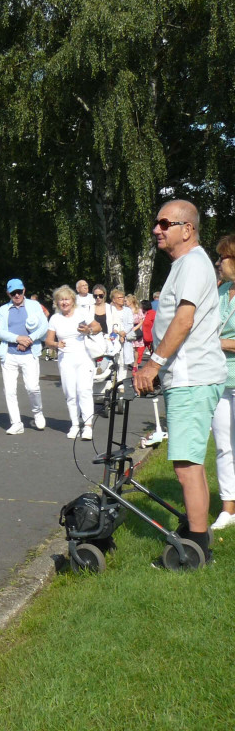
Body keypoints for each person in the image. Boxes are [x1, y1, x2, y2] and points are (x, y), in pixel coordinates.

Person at [134, 199, 226, 567]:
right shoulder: (187, 264)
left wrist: (152, 366)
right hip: (190, 375)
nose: (157, 229)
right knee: (191, 463)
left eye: (164, 223)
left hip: (191, 377)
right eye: (156, 224)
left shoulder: (192, 263)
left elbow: (184, 321)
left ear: (186, 229)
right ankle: (196, 534)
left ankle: (195, 549)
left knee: (186, 464)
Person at [0, 279, 49, 435]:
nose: (16, 295)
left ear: (24, 290)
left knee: (33, 387)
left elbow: (44, 326)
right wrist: (18, 338)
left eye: (19, 291)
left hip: (30, 353)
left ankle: (37, 412)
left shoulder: (34, 305)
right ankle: (16, 422)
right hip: (9, 354)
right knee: (9, 390)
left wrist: (28, 340)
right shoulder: (3, 310)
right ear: (8, 293)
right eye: (13, 293)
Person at [45, 286, 99, 439]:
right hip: (65, 358)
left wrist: (88, 330)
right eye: (61, 300)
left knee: (84, 390)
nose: (64, 302)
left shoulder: (81, 313)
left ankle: (87, 426)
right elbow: (48, 340)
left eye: (67, 299)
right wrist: (56, 344)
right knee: (70, 392)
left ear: (72, 300)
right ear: (57, 302)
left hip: (83, 356)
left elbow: (97, 326)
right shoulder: (55, 318)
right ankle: (75, 424)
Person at [210, 234, 235, 531]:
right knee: (223, 447)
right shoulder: (220, 292)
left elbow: (212, 338)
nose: (217, 263)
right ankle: (228, 508)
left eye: (222, 258)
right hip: (219, 379)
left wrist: (219, 343)